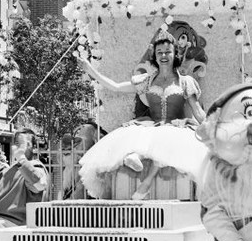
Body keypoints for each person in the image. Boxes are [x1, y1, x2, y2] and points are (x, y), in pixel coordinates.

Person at [76, 29, 206, 200]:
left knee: (167, 140)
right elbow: (116, 87)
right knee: (140, 134)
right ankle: (136, 158)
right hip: (153, 125)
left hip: (177, 128)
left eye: (168, 51)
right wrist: (91, 70)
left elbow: (197, 111)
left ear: (175, 54)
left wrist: (214, 126)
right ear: (155, 55)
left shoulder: (185, 81)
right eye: (160, 52)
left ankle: (145, 184)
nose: (164, 55)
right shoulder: (147, 80)